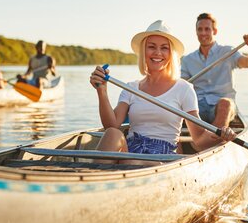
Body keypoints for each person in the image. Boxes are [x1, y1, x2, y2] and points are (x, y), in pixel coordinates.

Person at [89, 20, 237, 163]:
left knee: (138, 163)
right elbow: (111, 125)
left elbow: (198, 140)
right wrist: (102, 92)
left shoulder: (184, 88)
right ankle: (91, 176)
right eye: (152, 46)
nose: (158, 53)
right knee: (113, 133)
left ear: (171, 53)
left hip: (161, 159)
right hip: (131, 150)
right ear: (144, 50)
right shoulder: (131, 87)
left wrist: (221, 136)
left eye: (164, 48)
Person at [181, 13, 248, 128]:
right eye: (200, 29)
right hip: (198, 107)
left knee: (225, 104)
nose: (203, 33)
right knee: (178, 108)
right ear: (196, 31)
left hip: (221, 107)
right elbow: (182, 85)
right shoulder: (188, 59)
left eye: (207, 29)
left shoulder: (228, 52)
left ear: (215, 31)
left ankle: (213, 139)